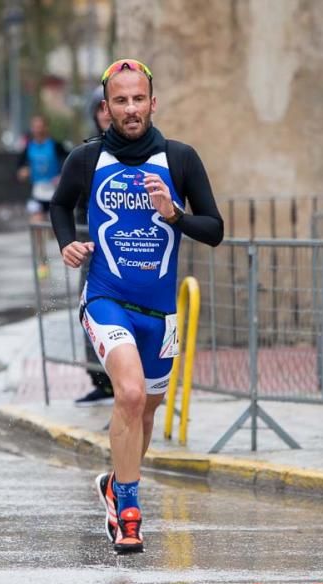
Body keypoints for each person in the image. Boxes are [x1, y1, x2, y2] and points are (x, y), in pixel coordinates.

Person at [50, 60, 224, 553]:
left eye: (138, 99)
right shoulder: (85, 160)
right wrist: (67, 243)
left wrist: (175, 214)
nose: (130, 109)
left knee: (144, 412)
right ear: (106, 108)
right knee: (127, 393)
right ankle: (128, 510)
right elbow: (60, 205)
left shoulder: (180, 159)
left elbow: (215, 229)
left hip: (160, 314)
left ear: (153, 102)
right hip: (107, 298)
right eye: (120, 101)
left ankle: (114, 483)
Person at [74, 88, 115, 407]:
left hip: (129, 248)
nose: (104, 114)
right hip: (93, 246)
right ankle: (100, 380)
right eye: (98, 109)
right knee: (90, 310)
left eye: (107, 107)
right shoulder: (86, 154)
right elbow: (68, 200)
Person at [17, 115, 69, 223]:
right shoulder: (28, 148)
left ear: (46, 128)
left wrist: (62, 176)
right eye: (35, 127)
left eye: (40, 127)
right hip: (36, 191)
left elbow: (70, 164)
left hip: (54, 192)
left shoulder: (56, 146)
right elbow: (20, 170)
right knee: (37, 224)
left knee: (54, 226)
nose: (38, 130)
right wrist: (23, 172)